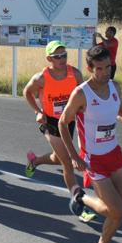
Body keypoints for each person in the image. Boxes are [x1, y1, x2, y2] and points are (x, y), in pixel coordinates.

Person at [59, 45, 122, 243]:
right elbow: (63, 122)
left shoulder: (114, 86)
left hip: (114, 154)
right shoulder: (81, 93)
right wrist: (74, 156)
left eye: (108, 67)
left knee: (117, 206)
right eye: (99, 68)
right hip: (93, 159)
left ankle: (80, 198)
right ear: (90, 68)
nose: (105, 72)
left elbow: (119, 112)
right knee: (118, 211)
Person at [22, 41, 96, 222]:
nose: (62, 59)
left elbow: (84, 93)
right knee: (67, 162)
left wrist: (82, 108)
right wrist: (38, 112)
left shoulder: (75, 74)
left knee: (58, 157)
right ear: (49, 59)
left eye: (64, 55)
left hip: (68, 121)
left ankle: (35, 161)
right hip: (51, 122)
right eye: (57, 56)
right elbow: (27, 92)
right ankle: (78, 203)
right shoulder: (42, 78)